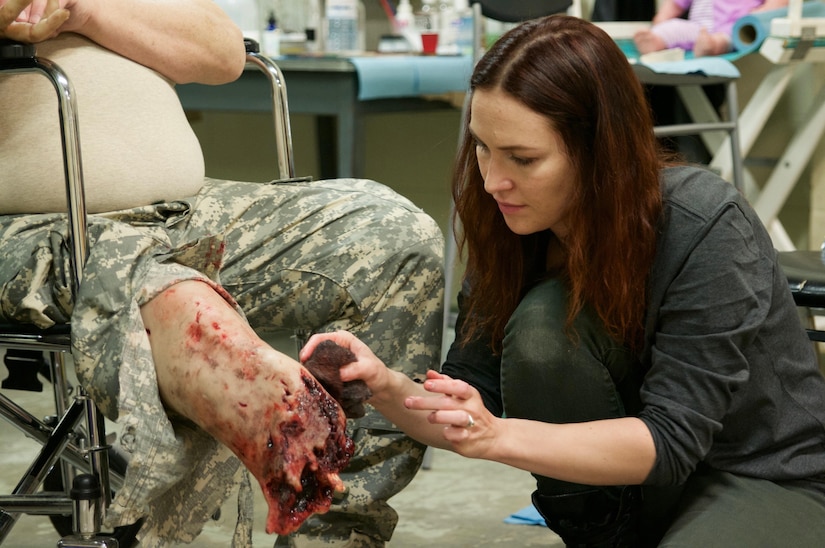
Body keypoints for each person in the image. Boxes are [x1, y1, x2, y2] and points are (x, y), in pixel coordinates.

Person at [302, 14, 825, 548]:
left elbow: (671, 440)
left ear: (601, 152)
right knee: (543, 324)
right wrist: (387, 386)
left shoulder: (706, 223)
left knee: (547, 323)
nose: (491, 180)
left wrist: (500, 436)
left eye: (524, 159)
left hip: (757, 473)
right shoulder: (511, 223)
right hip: (625, 495)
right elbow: (467, 406)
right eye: (482, 146)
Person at [0, 0, 443, 546]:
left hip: (189, 212)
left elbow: (223, 53)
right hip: (30, 229)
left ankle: (330, 531)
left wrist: (82, 11)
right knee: (160, 288)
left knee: (393, 234)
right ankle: (223, 364)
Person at [633, 0, 788, 57]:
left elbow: (778, 3)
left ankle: (714, 46)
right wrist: (661, 19)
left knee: (730, 35)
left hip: (737, 25)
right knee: (674, 27)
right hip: (698, 28)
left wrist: (759, 15)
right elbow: (676, 4)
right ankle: (655, 40)